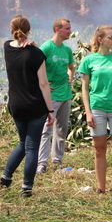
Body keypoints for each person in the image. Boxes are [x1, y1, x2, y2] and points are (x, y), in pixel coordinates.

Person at [1, 15, 55, 197]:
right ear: (29, 29)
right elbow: (44, 84)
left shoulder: (6, 47)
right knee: (32, 147)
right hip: (35, 106)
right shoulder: (36, 54)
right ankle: (26, 187)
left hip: (16, 105)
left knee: (23, 143)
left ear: (12, 29)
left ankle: (5, 178)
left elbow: (14, 43)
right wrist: (50, 110)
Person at [79, 25, 112, 197]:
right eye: (111, 37)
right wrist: (88, 112)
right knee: (99, 149)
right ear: (100, 39)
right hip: (97, 109)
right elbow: (85, 88)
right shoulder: (88, 60)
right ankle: (101, 188)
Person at [36, 18, 75, 173]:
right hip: (50, 97)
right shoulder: (46, 48)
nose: (70, 31)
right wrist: (42, 85)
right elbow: (34, 68)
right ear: (58, 29)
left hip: (65, 95)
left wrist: (70, 81)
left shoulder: (67, 50)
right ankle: (42, 163)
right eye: (67, 28)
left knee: (62, 129)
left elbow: (71, 68)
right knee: (47, 129)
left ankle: (57, 160)